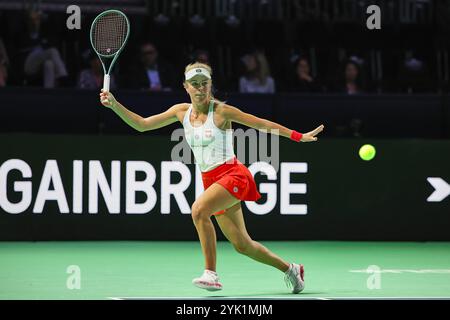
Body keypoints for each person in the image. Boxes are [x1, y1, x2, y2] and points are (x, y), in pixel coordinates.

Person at [99, 62, 324, 293]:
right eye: (194, 84)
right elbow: (142, 125)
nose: (200, 88)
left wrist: (299, 136)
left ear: (210, 85)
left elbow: (262, 124)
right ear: (186, 87)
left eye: (204, 83)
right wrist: (115, 105)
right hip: (211, 180)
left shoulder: (222, 112)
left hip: (233, 175)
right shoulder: (180, 112)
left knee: (198, 210)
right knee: (242, 245)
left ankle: (211, 274)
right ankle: (291, 269)